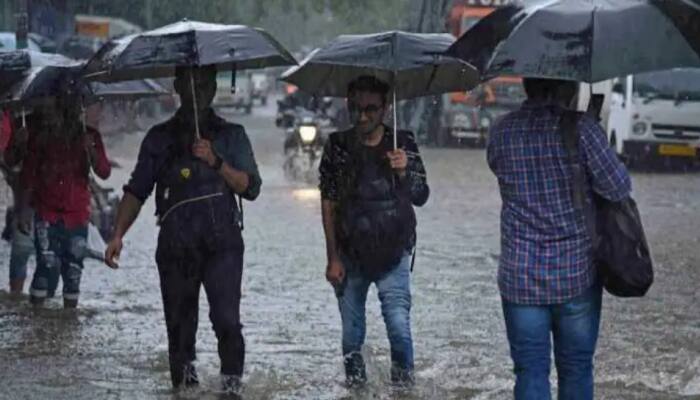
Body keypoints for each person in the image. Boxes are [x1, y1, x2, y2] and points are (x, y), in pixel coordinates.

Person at [104, 65, 262, 394]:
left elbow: (250, 188)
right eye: (190, 83)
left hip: (223, 245)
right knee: (179, 332)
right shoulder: (160, 138)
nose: (197, 90)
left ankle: (232, 390)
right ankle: (184, 390)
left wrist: (216, 161)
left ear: (212, 86)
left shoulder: (232, 135)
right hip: (176, 246)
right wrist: (118, 233)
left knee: (227, 322)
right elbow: (137, 191)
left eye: (203, 84)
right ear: (177, 86)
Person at [487, 78, 632, 400]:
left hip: (520, 275)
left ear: (526, 86)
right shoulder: (583, 130)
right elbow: (618, 188)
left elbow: (499, 170)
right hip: (575, 274)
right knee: (577, 368)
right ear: (567, 89)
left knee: (529, 371)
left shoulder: (500, 131)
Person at [319, 76, 429, 387]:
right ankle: (356, 391)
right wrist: (332, 258)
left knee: (398, 328)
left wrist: (405, 171)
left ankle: (404, 389)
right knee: (351, 337)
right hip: (350, 255)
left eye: (370, 109)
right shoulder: (338, 146)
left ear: (385, 109)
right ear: (347, 106)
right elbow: (328, 202)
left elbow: (422, 195)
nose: (363, 116)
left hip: (394, 253)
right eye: (355, 108)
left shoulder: (402, 142)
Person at [18, 98, 111, 308]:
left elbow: (104, 172)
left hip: (77, 215)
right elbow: (28, 176)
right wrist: (23, 210)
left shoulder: (90, 136)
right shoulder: (42, 137)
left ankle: (68, 326)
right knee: (46, 265)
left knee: (73, 272)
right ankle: (37, 320)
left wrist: (92, 151)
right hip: (46, 212)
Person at [1, 113, 34, 296]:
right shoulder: (18, 122)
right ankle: (17, 295)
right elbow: (10, 162)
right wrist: (19, 144)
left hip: (51, 205)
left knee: (49, 261)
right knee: (21, 252)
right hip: (24, 205)